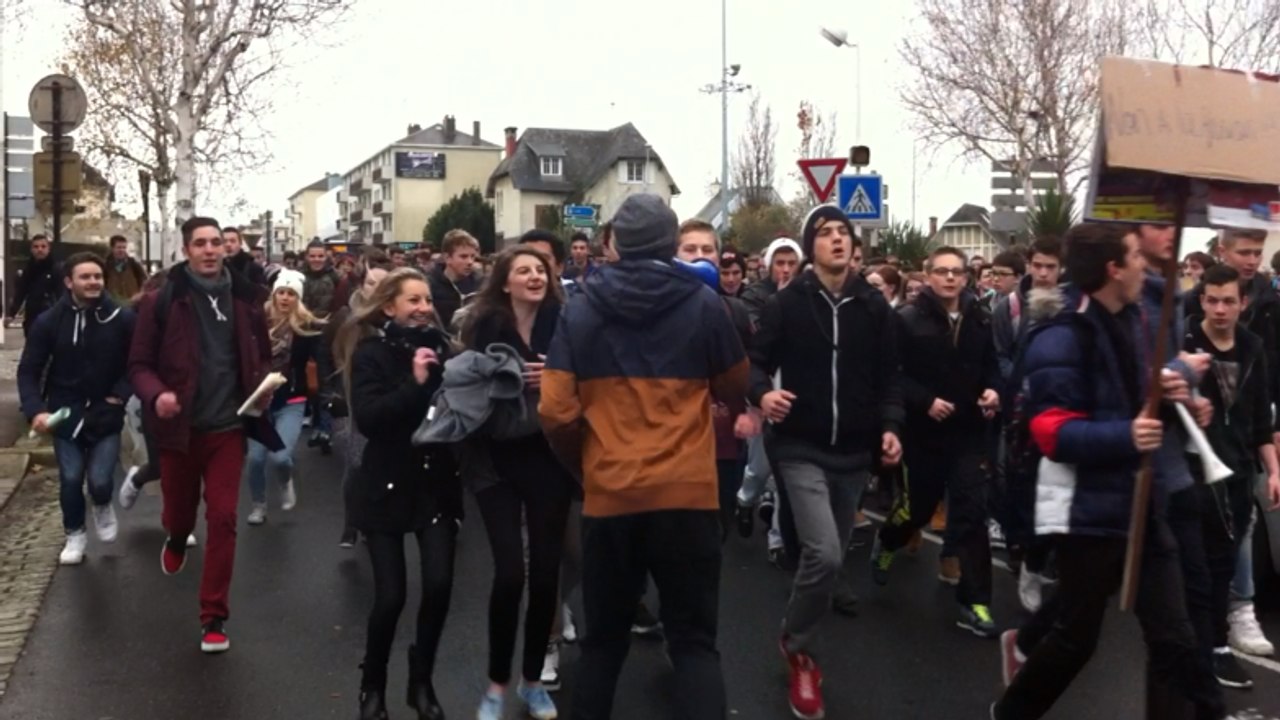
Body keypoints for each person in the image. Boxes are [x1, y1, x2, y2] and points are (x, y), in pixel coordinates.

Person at [993, 222, 1225, 720]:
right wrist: (1125, 435)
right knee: (1076, 639)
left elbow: (1139, 393)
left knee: (1176, 638)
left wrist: (1180, 398)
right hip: (1087, 511)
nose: (1145, 265)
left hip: (1143, 502)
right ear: (1113, 270)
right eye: (1135, 258)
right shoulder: (1060, 334)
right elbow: (1051, 432)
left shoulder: (1137, 317)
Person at [540, 194, 749, 720]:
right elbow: (735, 383)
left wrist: (585, 468)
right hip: (688, 493)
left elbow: (555, 411)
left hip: (611, 494)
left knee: (603, 645)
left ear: (616, 243)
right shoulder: (705, 304)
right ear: (669, 243)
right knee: (695, 644)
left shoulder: (581, 308)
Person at [750, 205, 903, 720]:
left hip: (853, 452)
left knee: (832, 553)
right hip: (798, 446)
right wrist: (762, 397)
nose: (836, 240)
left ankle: (797, 634)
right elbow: (755, 365)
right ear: (810, 245)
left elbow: (889, 378)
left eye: (843, 233)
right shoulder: (787, 304)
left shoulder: (872, 305)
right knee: (826, 555)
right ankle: (800, 652)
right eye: (826, 233)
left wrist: (891, 427)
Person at [128, 216, 281, 654]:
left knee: (224, 518)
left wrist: (264, 387)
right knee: (180, 514)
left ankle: (213, 616)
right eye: (201, 243)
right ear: (186, 250)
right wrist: (157, 395)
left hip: (227, 428)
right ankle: (175, 537)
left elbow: (262, 356)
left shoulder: (247, 300)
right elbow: (138, 365)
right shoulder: (163, 301)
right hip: (179, 431)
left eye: (217, 242)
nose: (211, 250)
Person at [337, 268, 461, 720]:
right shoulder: (371, 353)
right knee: (390, 596)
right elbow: (371, 419)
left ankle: (421, 680)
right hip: (385, 485)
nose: (424, 307)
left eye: (428, 299)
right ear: (389, 306)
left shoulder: (446, 350)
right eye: (413, 300)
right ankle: (372, 685)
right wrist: (414, 382)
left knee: (440, 585)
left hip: (436, 484)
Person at [463, 247, 573, 720]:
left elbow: (590, 381)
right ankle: (495, 684)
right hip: (494, 460)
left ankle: (532, 681)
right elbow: (463, 386)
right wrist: (502, 377)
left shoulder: (565, 326)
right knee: (510, 573)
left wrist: (555, 377)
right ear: (504, 282)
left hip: (548, 459)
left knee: (547, 574)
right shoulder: (484, 326)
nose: (535, 276)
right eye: (523, 270)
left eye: (541, 270)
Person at [871, 246, 1001, 637]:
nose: (949, 278)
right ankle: (889, 539)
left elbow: (993, 367)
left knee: (972, 512)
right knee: (919, 510)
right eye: (941, 271)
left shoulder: (980, 319)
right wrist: (925, 401)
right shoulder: (906, 320)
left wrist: (994, 391)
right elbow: (890, 374)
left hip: (967, 433)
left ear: (966, 277)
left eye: (956, 272)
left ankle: (975, 601)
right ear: (928, 276)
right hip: (922, 434)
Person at [1183, 262, 1280, 690]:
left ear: (1243, 303)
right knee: (1195, 567)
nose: (1220, 309)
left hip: (1238, 470)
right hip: (1188, 471)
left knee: (1223, 566)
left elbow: (1260, 418)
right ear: (1201, 299)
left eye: (1228, 301)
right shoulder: (1182, 340)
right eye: (1211, 300)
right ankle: (1199, 647)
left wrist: (1274, 470)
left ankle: (1216, 647)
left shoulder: (1252, 347)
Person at [18, 252, 136, 565]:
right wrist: (35, 409)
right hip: (64, 413)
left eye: (97, 276)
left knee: (99, 480)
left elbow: (137, 363)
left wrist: (120, 394)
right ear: (70, 282)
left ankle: (101, 503)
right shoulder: (49, 321)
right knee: (70, 477)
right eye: (85, 277)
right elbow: (29, 369)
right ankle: (75, 533)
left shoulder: (121, 318)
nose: (93, 282)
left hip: (105, 411)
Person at [244, 269, 328, 526]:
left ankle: (285, 479)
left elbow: (320, 360)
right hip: (260, 400)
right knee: (256, 459)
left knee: (280, 456)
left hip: (291, 399)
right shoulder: (257, 321)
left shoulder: (306, 326)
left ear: (297, 299)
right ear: (274, 294)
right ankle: (259, 505)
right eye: (281, 292)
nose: (285, 298)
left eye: (291, 294)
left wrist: (322, 393)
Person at [332, 252, 395, 548]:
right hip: (348, 401)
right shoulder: (347, 317)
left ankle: (374, 519)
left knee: (380, 462)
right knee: (356, 463)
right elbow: (326, 356)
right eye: (371, 283)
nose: (376, 289)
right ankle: (350, 522)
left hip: (383, 401)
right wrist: (328, 395)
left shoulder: (397, 318)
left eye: (383, 284)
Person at [427, 229, 481, 330]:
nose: (470, 262)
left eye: (472, 256)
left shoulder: (479, 283)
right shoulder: (429, 285)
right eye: (463, 256)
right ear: (447, 258)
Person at [10, 234, 61, 337]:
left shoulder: (57, 269)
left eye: (43, 246)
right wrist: (12, 313)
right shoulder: (28, 270)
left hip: (51, 315)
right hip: (32, 316)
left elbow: (62, 293)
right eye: (36, 247)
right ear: (31, 250)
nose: (40, 250)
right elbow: (21, 292)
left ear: (48, 249)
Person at [222, 226, 269, 293]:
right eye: (224, 241)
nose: (228, 244)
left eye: (232, 241)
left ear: (240, 243)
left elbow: (260, 293)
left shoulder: (253, 268)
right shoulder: (215, 266)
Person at [104, 235, 148, 304]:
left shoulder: (133, 264)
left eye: (124, 247)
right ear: (112, 248)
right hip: (113, 305)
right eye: (118, 247)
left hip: (133, 304)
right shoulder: (106, 266)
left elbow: (145, 281)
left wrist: (140, 294)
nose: (122, 250)